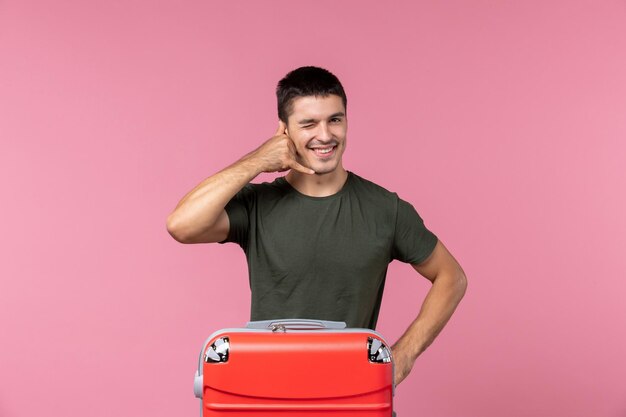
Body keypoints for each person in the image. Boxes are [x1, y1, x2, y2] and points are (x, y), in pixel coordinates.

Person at [166, 66, 467, 385]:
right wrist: (257, 160)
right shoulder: (257, 205)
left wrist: (405, 356)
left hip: (351, 393)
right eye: (309, 123)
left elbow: (452, 277)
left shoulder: (385, 209)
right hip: (268, 392)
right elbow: (181, 225)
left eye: (335, 120)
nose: (325, 135)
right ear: (283, 131)